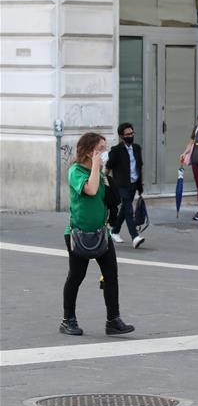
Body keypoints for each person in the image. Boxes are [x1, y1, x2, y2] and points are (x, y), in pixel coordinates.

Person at [60, 132, 134, 337]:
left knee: (111, 275)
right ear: (88, 151)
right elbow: (91, 190)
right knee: (76, 276)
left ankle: (113, 320)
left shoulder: (100, 174)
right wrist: (95, 166)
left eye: (104, 148)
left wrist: (104, 176)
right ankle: (68, 320)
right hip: (78, 233)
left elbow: (109, 199)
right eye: (101, 149)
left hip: (102, 233)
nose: (104, 152)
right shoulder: (75, 171)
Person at [106, 123, 146, 249]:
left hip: (134, 184)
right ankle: (135, 236)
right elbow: (107, 168)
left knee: (124, 209)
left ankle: (114, 231)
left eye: (132, 133)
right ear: (121, 136)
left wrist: (141, 183)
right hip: (121, 185)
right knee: (128, 209)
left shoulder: (137, 148)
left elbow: (140, 166)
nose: (131, 136)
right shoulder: (116, 150)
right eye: (128, 134)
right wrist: (104, 183)